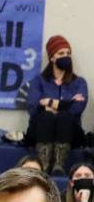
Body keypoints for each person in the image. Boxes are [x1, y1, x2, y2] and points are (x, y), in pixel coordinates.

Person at [26, 35, 88, 174]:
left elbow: (77, 108)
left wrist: (49, 102)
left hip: (71, 134)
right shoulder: (38, 81)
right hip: (40, 131)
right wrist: (68, 103)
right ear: (52, 58)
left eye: (68, 53)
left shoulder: (79, 82)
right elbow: (33, 109)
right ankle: (44, 164)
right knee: (46, 117)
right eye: (61, 53)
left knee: (64, 117)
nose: (66, 56)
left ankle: (59, 165)